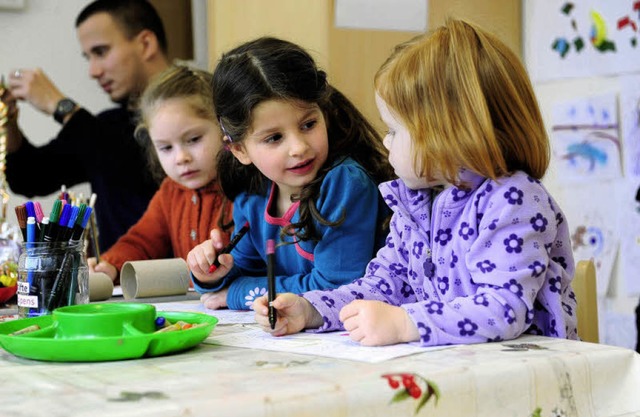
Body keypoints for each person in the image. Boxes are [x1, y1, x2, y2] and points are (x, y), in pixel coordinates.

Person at [253, 19, 579, 347]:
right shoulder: (418, 202)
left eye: (394, 130)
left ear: (447, 134)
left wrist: (407, 322)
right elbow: (383, 285)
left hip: (527, 376)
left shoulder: (513, 200)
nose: (386, 142)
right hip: (455, 370)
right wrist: (311, 310)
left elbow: (503, 309)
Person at [186, 37, 394, 311]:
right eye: (274, 138)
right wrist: (209, 273)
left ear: (324, 113)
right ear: (239, 150)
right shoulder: (253, 198)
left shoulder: (345, 183)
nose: (299, 148)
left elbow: (337, 288)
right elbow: (240, 272)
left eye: (308, 124)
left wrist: (238, 294)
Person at [1, 0, 170, 252]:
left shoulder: (197, 111)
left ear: (145, 43)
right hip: (117, 281)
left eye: (100, 52)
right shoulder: (107, 126)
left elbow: (133, 164)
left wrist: (58, 104)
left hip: (178, 283)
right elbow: (29, 177)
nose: (92, 70)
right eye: (88, 57)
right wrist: (9, 120)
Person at [89, 65, 232, 283]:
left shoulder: (244, 187)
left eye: (193, 139)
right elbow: (140, 242)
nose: (180, 157)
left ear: (225, 128)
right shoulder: (170, 192)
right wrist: (110, 264)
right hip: (194, 312)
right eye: (166, 148)